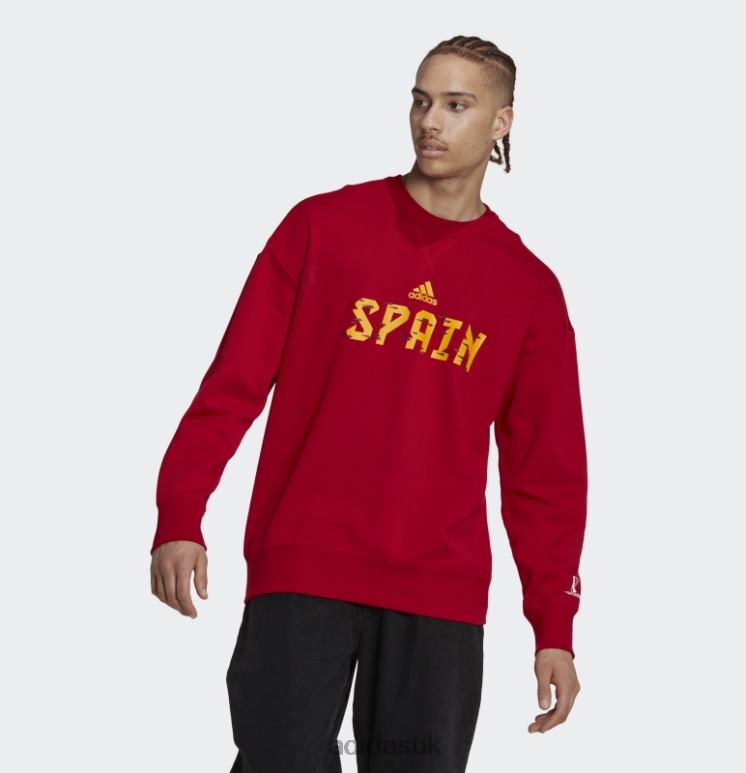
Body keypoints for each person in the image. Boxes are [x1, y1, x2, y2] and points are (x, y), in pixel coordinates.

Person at [150, 34, 588, 772]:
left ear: (501, 122)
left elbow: (545, 475)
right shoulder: (321, 228)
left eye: (456, 105)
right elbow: (231, 384)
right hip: (303, 567)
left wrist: (554, 625)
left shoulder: (528, 289)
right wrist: (179, 513)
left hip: (438, 591)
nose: (430, 121)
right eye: (421, 100)